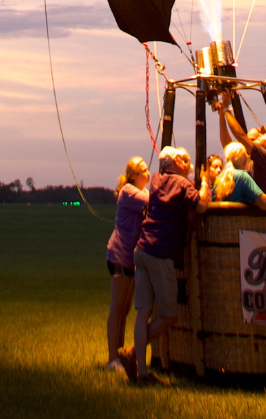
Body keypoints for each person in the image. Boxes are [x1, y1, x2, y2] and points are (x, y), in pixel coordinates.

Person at [118, 147, 210, 384]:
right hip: (161, 253)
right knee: (168, 315)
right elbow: (200, 205)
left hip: (142, 249)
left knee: (143, 311)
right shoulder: (182, 183)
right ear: (176, 162)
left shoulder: (156, 180)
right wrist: (206, 183)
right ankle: (131, 354)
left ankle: (141, 373)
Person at [105, 156, 150, 371]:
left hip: (129, 258)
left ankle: (119, 354)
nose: (148, 172)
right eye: (143, 170)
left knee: (124, 309)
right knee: (118, 307)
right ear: (133, 175)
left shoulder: (139, 193)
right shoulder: (129, 192)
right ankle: (112, 358)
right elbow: (153, 202)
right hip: (120, 255)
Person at [216, 95, 266, 198]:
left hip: (252, 211)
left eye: (263, 135)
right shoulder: (248, 160)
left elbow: (240, 136)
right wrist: (222, 115)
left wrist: (227, 108)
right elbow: (227, 145)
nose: (259, 135)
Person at [216, 143, 266, 210]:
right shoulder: (242, 177)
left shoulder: (218, 178)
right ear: (244, 159)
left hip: (220, 220)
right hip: (240, 219)